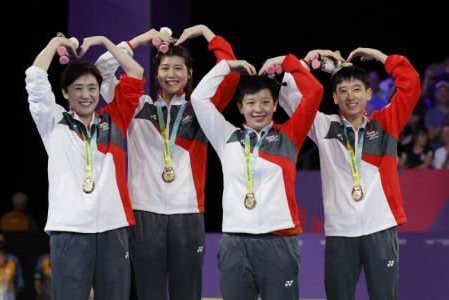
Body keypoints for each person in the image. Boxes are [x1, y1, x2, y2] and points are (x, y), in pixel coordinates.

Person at [95, 24, 239, 300]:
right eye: (165, 68)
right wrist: (139, 40)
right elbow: (103, 71)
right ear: (156, 73)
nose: (171, 75)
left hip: (187, 212)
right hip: (143, 212)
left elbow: (229, 73)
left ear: (189, 74)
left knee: (188, 293)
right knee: (150, 293)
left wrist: (207, 33)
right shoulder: (137, 105)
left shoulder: (201, 109)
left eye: (178, 69)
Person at [280, 48, 420, 299]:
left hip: (380, 230)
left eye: (357, 89)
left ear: (369, 93)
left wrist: (379, 56)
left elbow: (411, 83)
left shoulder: (385, 124)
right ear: (334, 97)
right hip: (340, 234)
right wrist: (308, 61)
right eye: (342, 91)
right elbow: (287, 96)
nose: (350, 96)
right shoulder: (324, 126)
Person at [191, 53, 323, 299]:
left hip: (280, 241)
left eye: (265, 102)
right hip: (235, 242)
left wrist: (286, 62)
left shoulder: (290, 135)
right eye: (251, 103)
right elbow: (198, 98)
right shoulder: (225, 136)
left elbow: (314, 91)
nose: (258, 109)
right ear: (240, 107)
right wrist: (226, 66)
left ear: (275, 105)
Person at [25, 34, 145, 300]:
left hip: (113, 228)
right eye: (78, 88)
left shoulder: (114, 119)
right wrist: (54, 44)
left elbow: (135, 72)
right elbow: (35, 76)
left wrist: (104, 40)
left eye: (92, 88)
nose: (86, 95)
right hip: (69, 229)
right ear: (66, 93)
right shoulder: (53, 122)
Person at [0, 233, 24, 300]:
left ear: (5, 241)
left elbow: (19, 284)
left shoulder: (14, 260)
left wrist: (10, 297)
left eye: (1, 241)